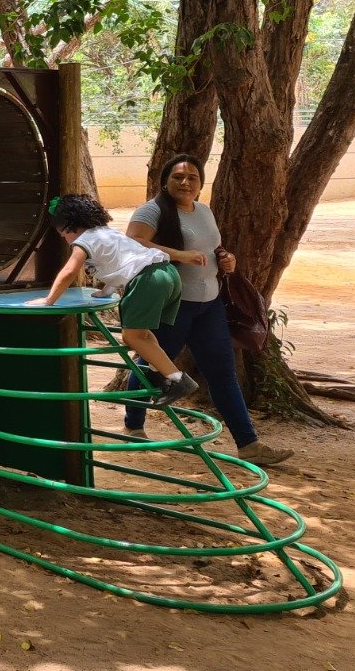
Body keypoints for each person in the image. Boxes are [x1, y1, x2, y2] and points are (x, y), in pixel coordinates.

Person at [121, 154, 293, 467]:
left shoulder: (203, 210)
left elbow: (211, 247)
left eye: (192, 178)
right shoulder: (153, 210)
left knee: (223, 373)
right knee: (152, 365)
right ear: (165, 181)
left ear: (201, 183)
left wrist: (227, 259)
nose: (185, 183)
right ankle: (133, 427)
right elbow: (132, 243)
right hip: (173, 306)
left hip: (209, 305)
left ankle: (249, 444)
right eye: (177, 177)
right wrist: (178, 255)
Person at [27, 193, 197, 408]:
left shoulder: (83, 241)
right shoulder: (108, 233)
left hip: (149, 280)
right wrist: (106, 291)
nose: (65, 239)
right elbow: (121, 264)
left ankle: (177, 379)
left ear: (69, 227)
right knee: (142, 334)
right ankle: (159, 371)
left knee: (131, 337)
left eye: (63, 235)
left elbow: (69, 271)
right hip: (168, 274)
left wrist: (49, 300)